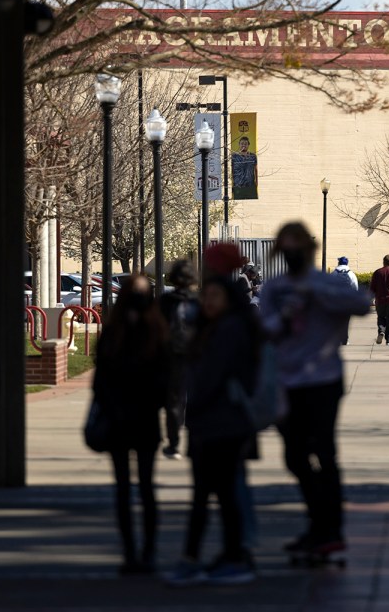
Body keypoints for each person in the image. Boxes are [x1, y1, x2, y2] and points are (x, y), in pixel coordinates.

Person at [260, 222, 370, 559]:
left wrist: (319, 295)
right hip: (287, 381)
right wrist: (287, 313)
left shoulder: (326, 282)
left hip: (323, 381)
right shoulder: (275, 288)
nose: (293, 255)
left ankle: (331, 529)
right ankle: (318, 522)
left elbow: (362, 304)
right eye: (286, 249)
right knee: (295, 456)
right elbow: (265, 329)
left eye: (298, 249)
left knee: (325, 453)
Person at [165, 245, 260, 587]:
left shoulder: (230, 329)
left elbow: (212, 378)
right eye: (205, 295)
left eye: (214, 295)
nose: (208, 300)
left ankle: (231, 557)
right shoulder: (209, 327)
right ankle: (210, 556)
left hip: (224, 424)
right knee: (208, 496)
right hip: (207, 424)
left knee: (220, 496)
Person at [93, 274, 172, 575]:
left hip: (144, 419)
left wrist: (153, 403)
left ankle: (148, 551)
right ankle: (130, 552)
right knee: (124, 489)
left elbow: (166, 378)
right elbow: (101, 379)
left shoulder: (155, 330)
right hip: (118, 420)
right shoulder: (113, 333)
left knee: (146, 487)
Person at [159, 260, 199, 460]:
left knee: (174, 401)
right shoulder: (198, 301)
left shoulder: (165, 301)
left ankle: (173, 443)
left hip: (172, 355)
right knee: (197, 399)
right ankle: (197, 442)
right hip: (196, 355)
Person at [332, 257, 359, 345]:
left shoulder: (334, 273)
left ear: (339, 263)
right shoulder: (351, 273)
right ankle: (345, 339)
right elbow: (355, 287)